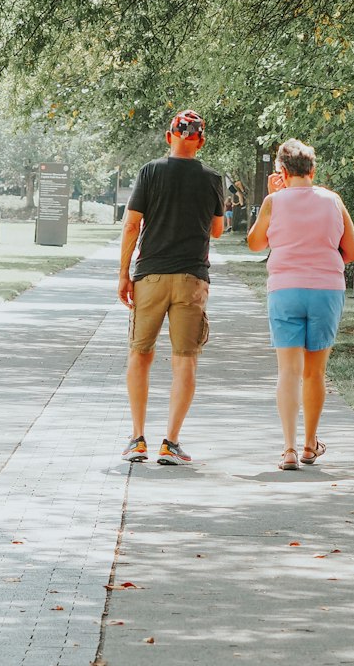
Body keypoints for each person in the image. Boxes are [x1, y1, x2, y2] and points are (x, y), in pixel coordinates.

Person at [118, 109, 225, 465]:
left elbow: (132, 225)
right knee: (185, 360)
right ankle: (171, 443)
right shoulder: (212, 178)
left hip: (149, 276)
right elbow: (218, 230)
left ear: (170, 137)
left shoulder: (150, 172)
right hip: (192, 279)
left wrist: (123, 274)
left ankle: (137, 439)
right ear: (201, 140)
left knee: (140, 353)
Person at [247, 138, 354, 471]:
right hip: (326, 289)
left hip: (284, 290)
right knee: (315, 372)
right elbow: (352, 252)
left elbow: (255, 243)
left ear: (281, 171)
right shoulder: (333, 201)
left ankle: (288, 449)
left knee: (288, 371)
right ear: (312, 169)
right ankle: (311, 445)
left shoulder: (273, 201)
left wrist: (270, 197)